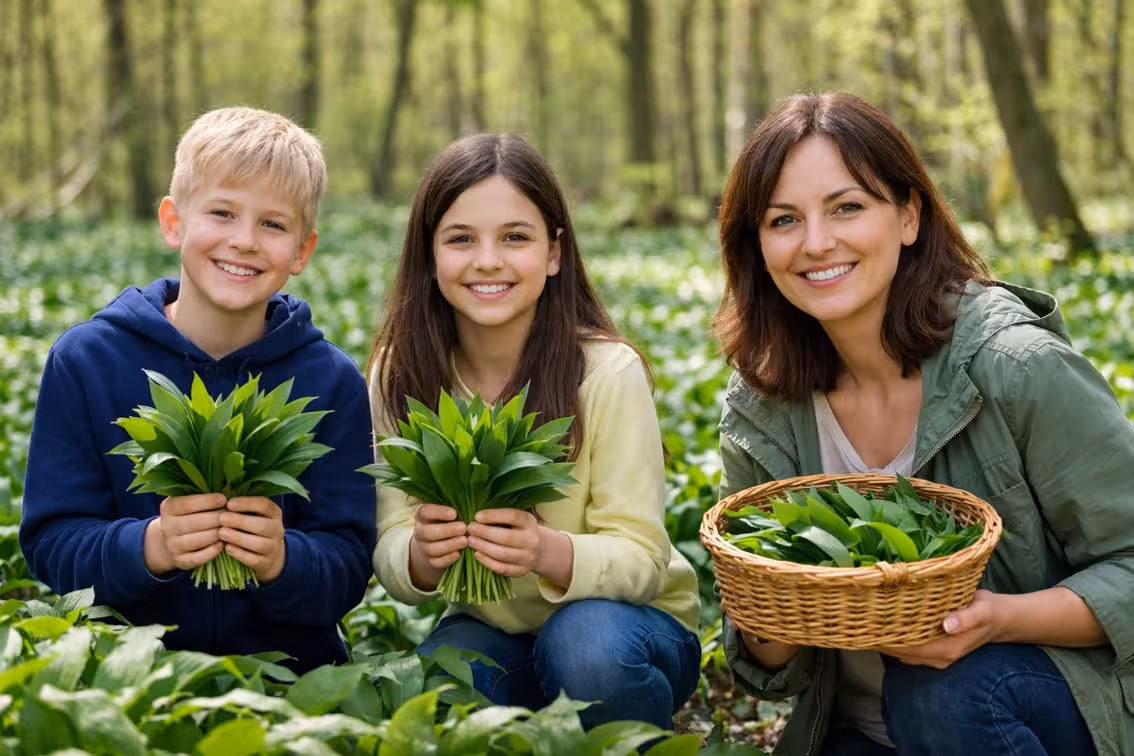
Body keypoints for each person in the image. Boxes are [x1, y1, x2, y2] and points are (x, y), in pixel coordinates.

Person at [713, 91, 1134, 756]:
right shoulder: (761, 403)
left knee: (940, 696)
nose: (816, 243)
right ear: (757, 245)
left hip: (1040, 710)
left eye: (847, 207)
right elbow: (767, 667)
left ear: (908, 216)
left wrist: (1000, 621)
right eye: (783, 219)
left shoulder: (1015, 366)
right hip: (857, 729)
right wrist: (771, 603)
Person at [19, 107, 376, 673]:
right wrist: (152, 547)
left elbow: (351, 564)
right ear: (173, 221)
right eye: (222, 212)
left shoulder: (330, 380)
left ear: (302, 251)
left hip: (288, 678)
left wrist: (283, 558)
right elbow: (52, 543)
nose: (244, 241)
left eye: (273, 225)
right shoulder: (87, 360)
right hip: (127, 675)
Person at [367, 133, 701, 729]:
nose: (488, 260)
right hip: (493, 630)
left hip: (629, 625)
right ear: (429, 254)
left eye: (515, 237)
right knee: (440, 687)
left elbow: (644, 558)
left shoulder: (605, 372)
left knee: (585, 647)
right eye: (461, 239)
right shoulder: (402, 373)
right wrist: (419, 554)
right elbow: (392, 538)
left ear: (554, 253)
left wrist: (547, 551)